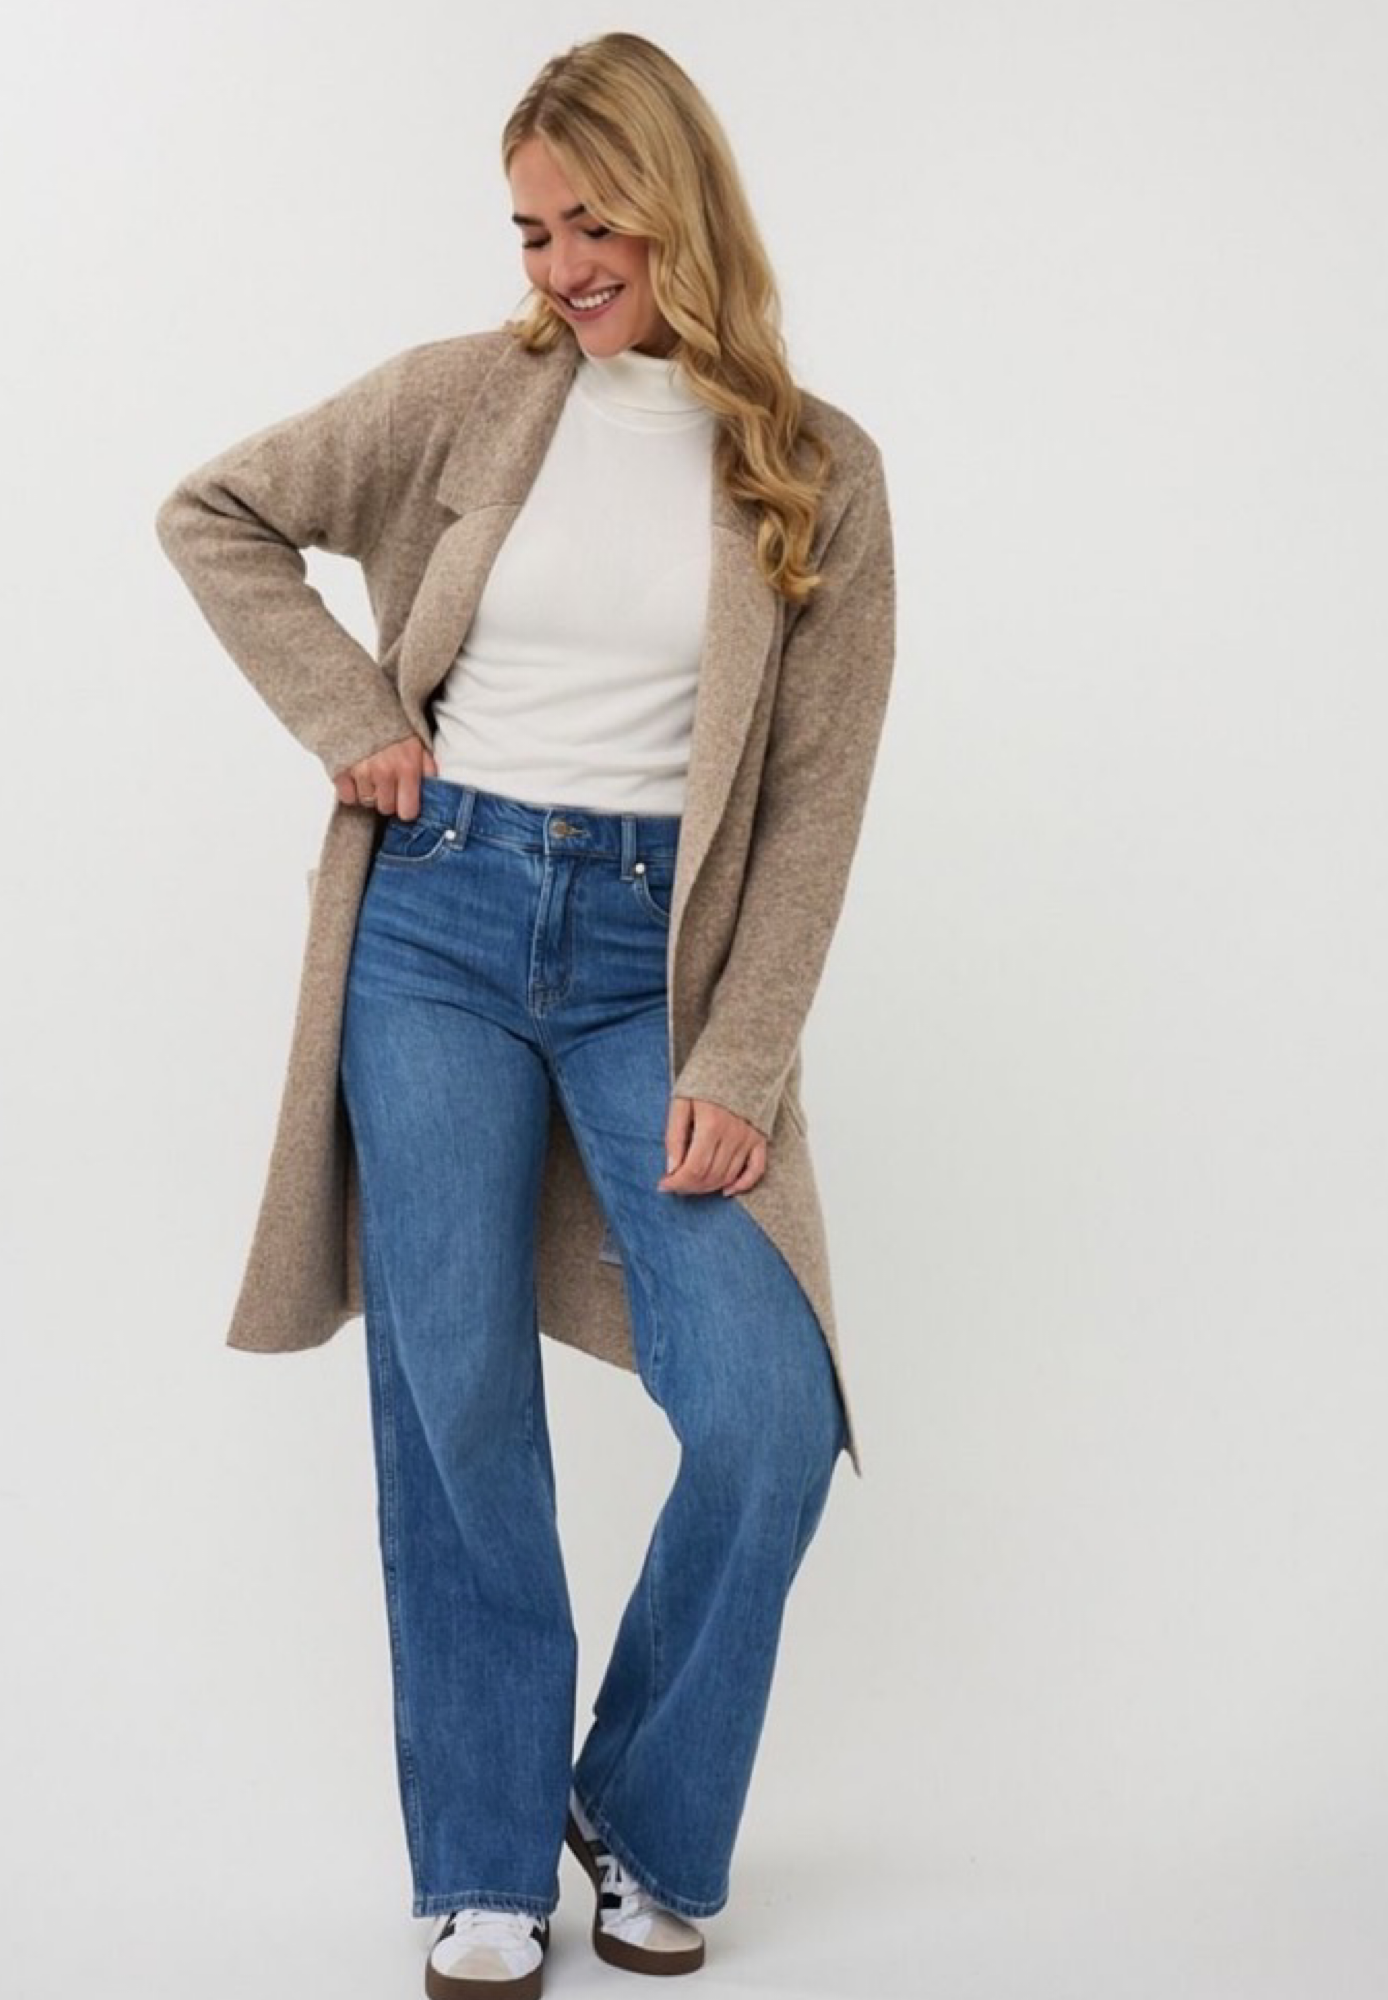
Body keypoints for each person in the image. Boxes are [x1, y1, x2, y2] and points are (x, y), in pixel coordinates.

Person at [155, 31, 898, 2000]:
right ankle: (480, 1861)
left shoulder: (814, 467)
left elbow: (814, 803)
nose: (562, 266)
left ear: (683, 209)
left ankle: (634, 1805)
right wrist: (355, 716)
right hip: (439, 922)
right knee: (455, 1395)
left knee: (767, 1406)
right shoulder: (458, 399)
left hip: (659, 961)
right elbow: (215, 511)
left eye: (595, 225)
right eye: (531, 229)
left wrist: (740, 1060)